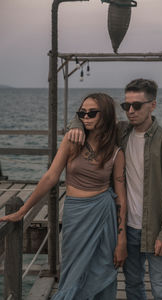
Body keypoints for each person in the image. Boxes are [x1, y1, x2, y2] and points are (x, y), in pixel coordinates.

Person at [66, 79, 162, 300]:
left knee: (161, 289)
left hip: (156, 229)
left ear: (153, 105)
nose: (130, 111)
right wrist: (75, 123)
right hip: (127, 228)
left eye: (137, 105)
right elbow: (91, 117)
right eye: (126, 106)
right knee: (133, 286)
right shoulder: (120, 133)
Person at [0, 93, 127, 300]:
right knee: (72, 271)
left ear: (105, 115)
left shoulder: (116, 152)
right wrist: (23, 211)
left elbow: (121, 198)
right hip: (75, 212)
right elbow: (51, 177)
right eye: (82, 113)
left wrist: (121, 241)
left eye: (92, 113)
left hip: (103, 214)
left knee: (102, 269)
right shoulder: (72, 140)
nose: (86, 117)